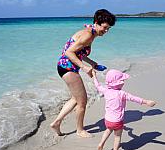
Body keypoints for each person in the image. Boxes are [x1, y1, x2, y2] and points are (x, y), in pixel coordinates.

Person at [50, 9, 116, 138]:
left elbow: (79, 52)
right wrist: (84, 68)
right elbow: (69, 52)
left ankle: (56, 122)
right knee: (82, 101)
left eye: (109, 29)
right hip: (67, 67)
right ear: (97, 22)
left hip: (65, 66)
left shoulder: (91, 32)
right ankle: (80, 130)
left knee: (76, 99)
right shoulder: (88, 35)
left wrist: (93, 63)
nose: (106, 31)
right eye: (104, 28)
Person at [92, 69, 157, 150]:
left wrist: (94, 76)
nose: (123, 82)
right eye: (122, 81)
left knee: (108, 130)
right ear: (118, 83)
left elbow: (97, 86)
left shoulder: (105, 91)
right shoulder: (122, 93)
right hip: (118, 121)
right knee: (117, 137)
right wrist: (146, 102)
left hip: (107, 120)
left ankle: (101, 143)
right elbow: (134, 98)